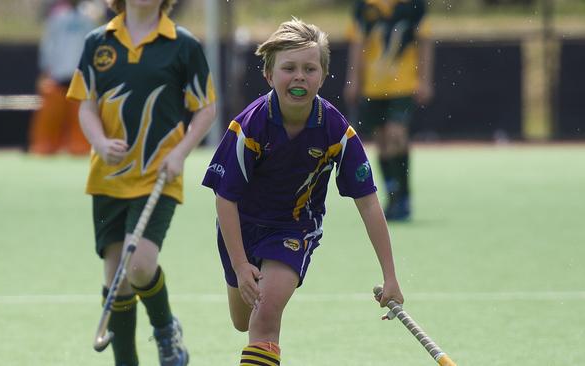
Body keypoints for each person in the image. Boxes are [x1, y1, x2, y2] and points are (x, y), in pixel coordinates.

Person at [202, 18, 403, 366]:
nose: (299, 77)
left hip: (292, 229)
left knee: (264, 316)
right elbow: (225, 199)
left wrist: (390, 275)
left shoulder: (337, 131)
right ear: (269, 75)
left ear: (322, 76)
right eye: (289, 68)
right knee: (242, 321)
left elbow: (368, 201)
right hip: (240, 228)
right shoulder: (248, 126)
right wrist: (239, 263)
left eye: (310, 69)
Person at [66, 0, 217, 365]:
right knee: (116, 279)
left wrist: (180, 152)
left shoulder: (184, 45)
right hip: (108, 180)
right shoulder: (97, 42)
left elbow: (206, 109)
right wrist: (100, 143)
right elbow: (86, 106)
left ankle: (166, 331)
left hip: (158, 177)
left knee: (140, 267)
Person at [344, 0, 434, 221]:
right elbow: (357, 45)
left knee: (396, 134)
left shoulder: (414, 5)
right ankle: (391, 195)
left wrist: (424, 79)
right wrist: (352, 80)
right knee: (382, 141)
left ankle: (404, 196)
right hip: (372, 87)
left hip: (403, 85)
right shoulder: (364, 6)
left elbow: (424, 42)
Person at [28, 0, 96, 155]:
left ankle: (80, 146)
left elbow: (92, 44)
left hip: (80, 73)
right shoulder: (57, 18)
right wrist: (47, 68)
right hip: (58, 73)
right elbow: (49, 44)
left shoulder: (88, 18)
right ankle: (45, 145)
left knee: (80, 112)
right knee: (52, 113)